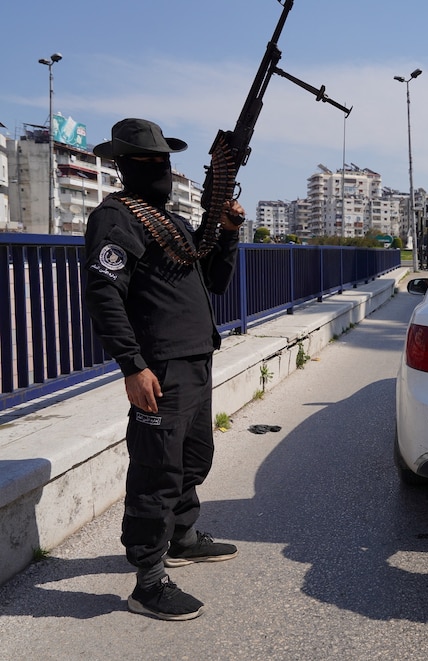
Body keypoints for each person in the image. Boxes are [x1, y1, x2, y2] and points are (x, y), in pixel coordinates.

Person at [85, 118, 244, 621]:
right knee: (156, 470)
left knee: (193, 457)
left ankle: (182, 536)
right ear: (123, 166)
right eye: (147, 162)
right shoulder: (117, 218)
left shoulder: (168, 221)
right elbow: (104, 293)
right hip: (161, 367)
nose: (159, 170)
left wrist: (228, 235)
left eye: (164, 162)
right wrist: (132, 366)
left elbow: (213, 281)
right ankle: (148, 581)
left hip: (195, 359)